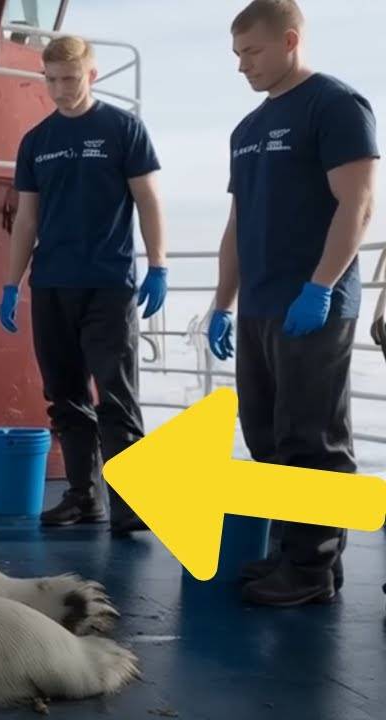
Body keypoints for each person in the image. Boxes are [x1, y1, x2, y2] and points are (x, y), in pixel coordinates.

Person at [206, 0, 377, 607]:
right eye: (237, 55)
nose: (243, 66)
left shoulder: (334, 105)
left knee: (312, 439)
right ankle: (293, 555)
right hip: (258, 305)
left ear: (290, 40)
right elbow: (237, 225)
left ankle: (313, 567)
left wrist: (322, 285)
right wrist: (222, 304)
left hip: (313, 302)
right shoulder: (246, 130)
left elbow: (356, 204)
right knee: (267, 437)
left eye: (252, 52)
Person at [1, 35, 168, 534]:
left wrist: (158, 265)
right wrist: (12, 284)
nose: (58, 90)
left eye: (68, 79)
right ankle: (83, 497)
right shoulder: (36, 141)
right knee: (65, 395)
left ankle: (132, 503)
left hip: (108, 284)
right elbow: (26, 220)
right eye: (50, 80)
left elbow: (149, 201)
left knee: (115, 395)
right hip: (51, 284)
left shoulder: (123, 129)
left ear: (91, 75)